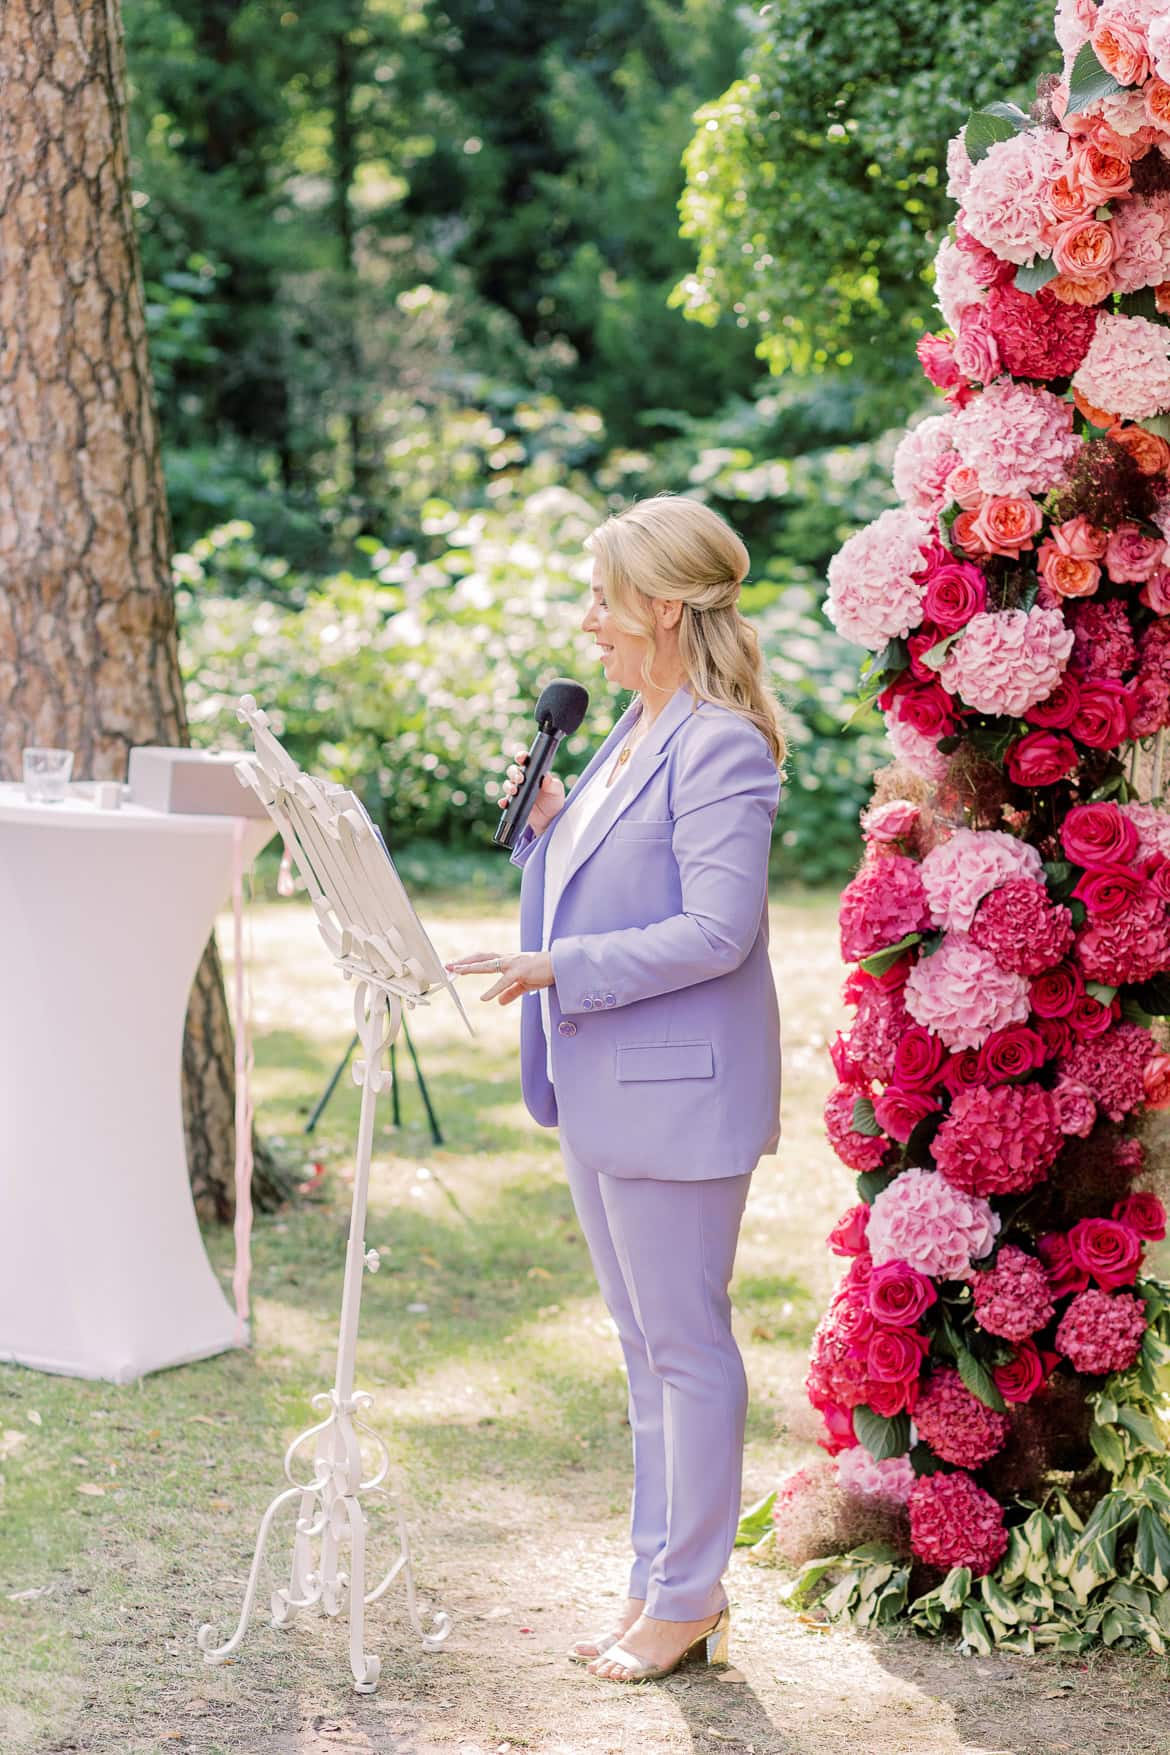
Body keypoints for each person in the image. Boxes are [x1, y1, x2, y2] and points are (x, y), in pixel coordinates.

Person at [445, 493, 785, 1683]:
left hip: (677, 1092)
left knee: (686, 1347)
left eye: (602, 597)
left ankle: (687, 1594)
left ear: (663, 606)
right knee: (643, 1346)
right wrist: (550, 829)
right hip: (598, 1085)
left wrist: (556, 967)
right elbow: (613, 881)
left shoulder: (721, 741)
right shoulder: (628, 732)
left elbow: (717, 931)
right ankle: (662, 1578)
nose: (587, 622)